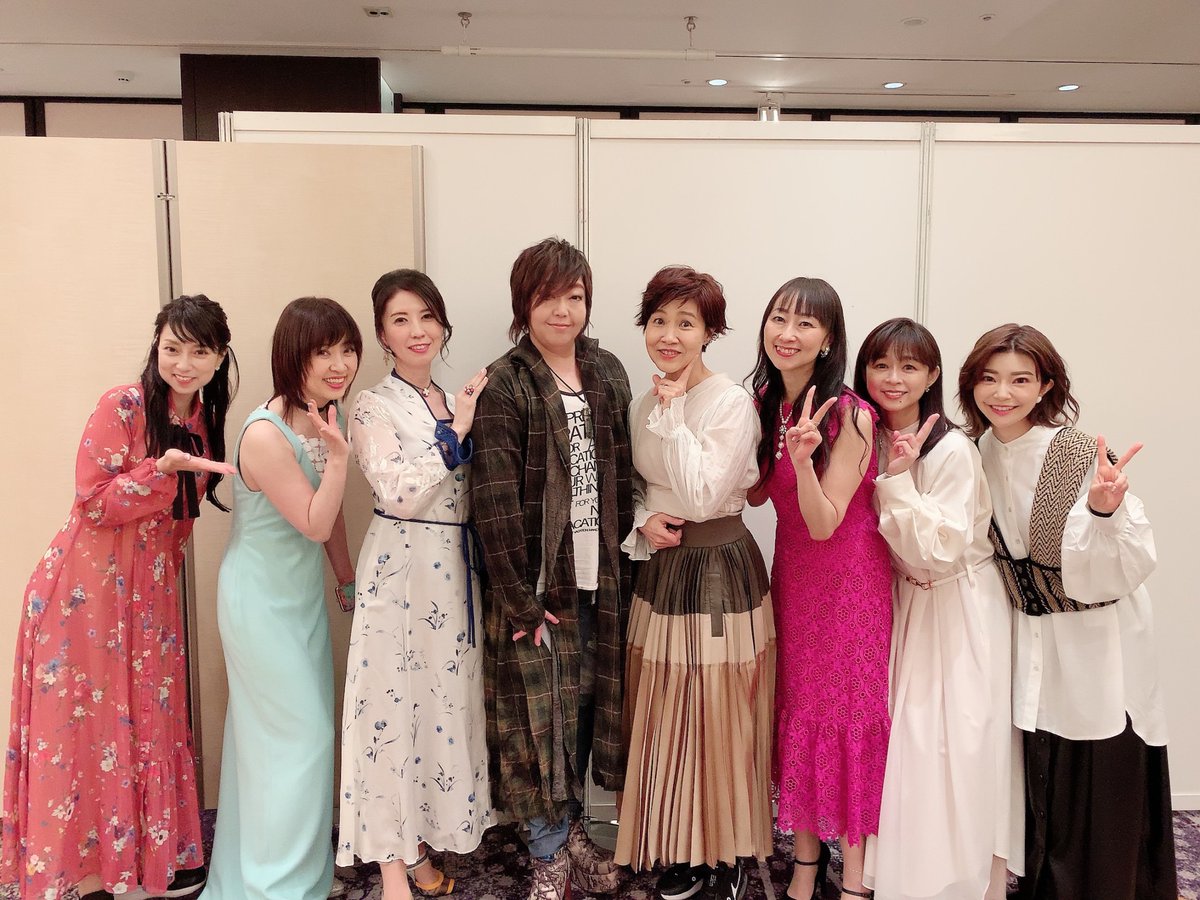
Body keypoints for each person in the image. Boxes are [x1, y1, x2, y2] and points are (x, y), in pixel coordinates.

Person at [1, 295, 236, 900]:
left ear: (219, 359)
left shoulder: (203, 423)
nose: (183, 364)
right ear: (156, 348)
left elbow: (179, 525)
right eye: (172, 348)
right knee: (84, 726)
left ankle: (142, 863)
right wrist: (161, 469)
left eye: (199, 352)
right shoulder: (123, 405)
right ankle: (84, 875)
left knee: (147, 717)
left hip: (149, 595)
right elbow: (93, 501)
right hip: (85, 594)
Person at [959, 323, 1177, 900]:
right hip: (1029, 633)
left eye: (1020, 380)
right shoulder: (976, 451)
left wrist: (1104, 511)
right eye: (989, 378)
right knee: (1041, 767)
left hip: (1096, 634)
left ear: (1046, 386)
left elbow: (1129, 558)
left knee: (1098, 769)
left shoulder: (1075, 452)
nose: (1002, 393)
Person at [471, 237, 634, 900]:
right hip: (538, 588)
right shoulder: (507, 380)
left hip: (605, 578)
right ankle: (548, 852)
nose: (563, 310)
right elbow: (494, 500)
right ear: (524, 303)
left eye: (575, 296)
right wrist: (518, 600)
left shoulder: (608, 371)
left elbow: (628, 473)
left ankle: (572, 838)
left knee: (587, 716)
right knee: (539, 725)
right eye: (547, 297)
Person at [614, 266, 774, 900]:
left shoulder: (729, 402)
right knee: (665, 707)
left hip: (717, 570)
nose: (669, 335)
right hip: (662, 566)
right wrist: (641, 519)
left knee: (718, 707)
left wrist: (676, 411)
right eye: (658, 321)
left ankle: (728, 849)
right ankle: (683, 843)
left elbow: (705, 493)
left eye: (686, 323)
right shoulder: (641, 404)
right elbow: (634, 486)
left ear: (710, 332)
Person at [852, 318, 1022, 900]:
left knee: (958, 744)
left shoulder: (951, 448)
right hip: (907, 603)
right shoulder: (866, 436)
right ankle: (910, 875)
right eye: (881, 365)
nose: (893, 378)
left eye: (909, 366)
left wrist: (899, 483)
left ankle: (959, 882)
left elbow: (939, 549)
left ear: (932, 376)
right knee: (910, 745)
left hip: (959, 605)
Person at [336, 269, 493, 899]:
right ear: (382, 334)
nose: (417, 330)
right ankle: (391, 869)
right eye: (400, 320)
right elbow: (397, 490)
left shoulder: (451, 399)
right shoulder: (371, 405)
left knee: (438, 710)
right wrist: (459, 432)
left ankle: (420, 843)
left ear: (443, 325)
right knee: (389, 711)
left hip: (452, 572)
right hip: (400, 569)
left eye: (427, 316)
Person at [203, 297, 362, 900]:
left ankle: (272, 878)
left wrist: (345, 578)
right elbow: (316, 521)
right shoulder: (265, 434)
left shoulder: (324, 417)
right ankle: (280, 887)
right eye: (324, 352)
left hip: (300, 601)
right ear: (292, 357)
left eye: (347, 350)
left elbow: (332, 512)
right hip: (259, 604)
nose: (340, 364)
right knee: (300, 741)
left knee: (274, 744)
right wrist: (341, 457)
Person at [747, 277, 892, 900]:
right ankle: (806, 863)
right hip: (794, 579)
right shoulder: (763, 400)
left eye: (806, 323)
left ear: (829, 339)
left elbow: (825, 521)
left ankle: (855, 878)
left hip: (849, 584)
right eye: (779, 318)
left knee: (847, 717)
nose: (788, 333)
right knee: (801, 712)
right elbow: (754, 492)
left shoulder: (852, 415)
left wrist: (803, 461)